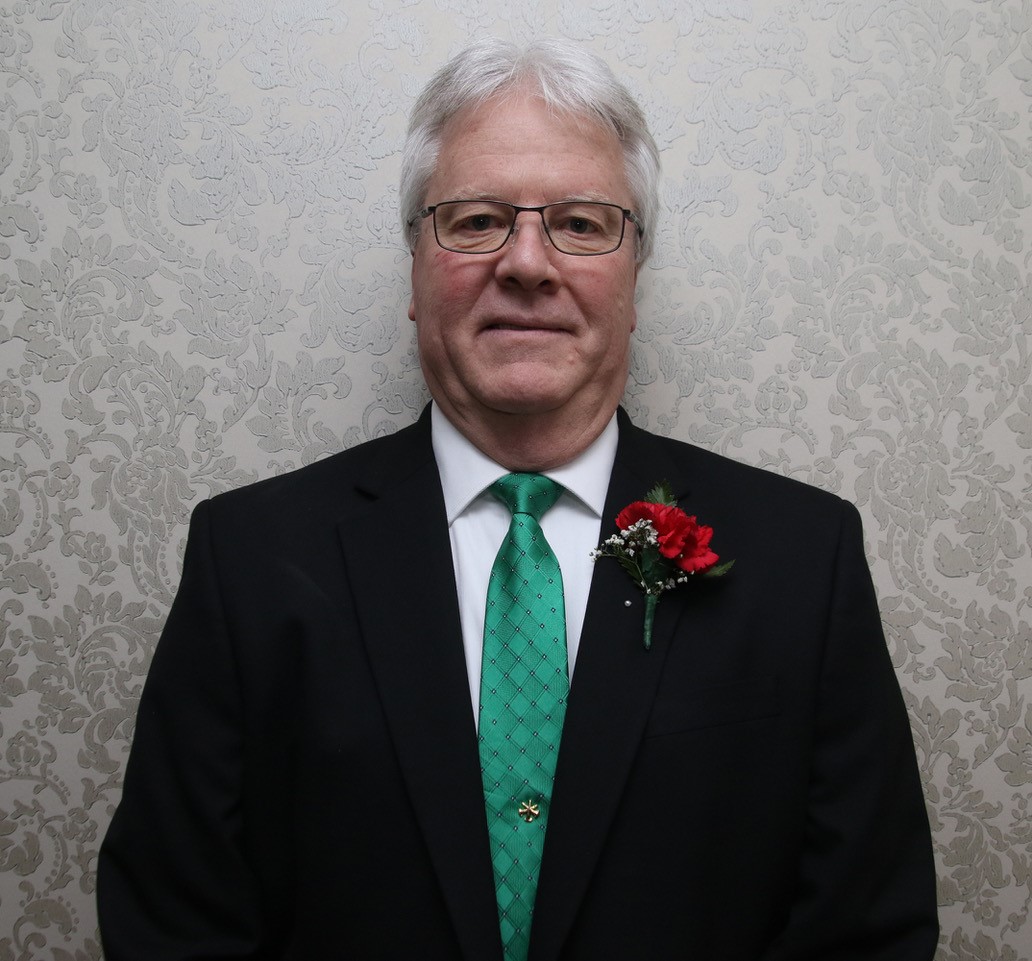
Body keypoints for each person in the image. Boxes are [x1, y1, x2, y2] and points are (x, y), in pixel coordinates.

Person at [97, 38, 939, 961]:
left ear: (634, 280)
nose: (528, 262)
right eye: (476, 220)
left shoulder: (803, 559)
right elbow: (171, 926)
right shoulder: (250, 558)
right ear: (416, 267)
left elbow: (869, 931)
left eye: (580, 223)